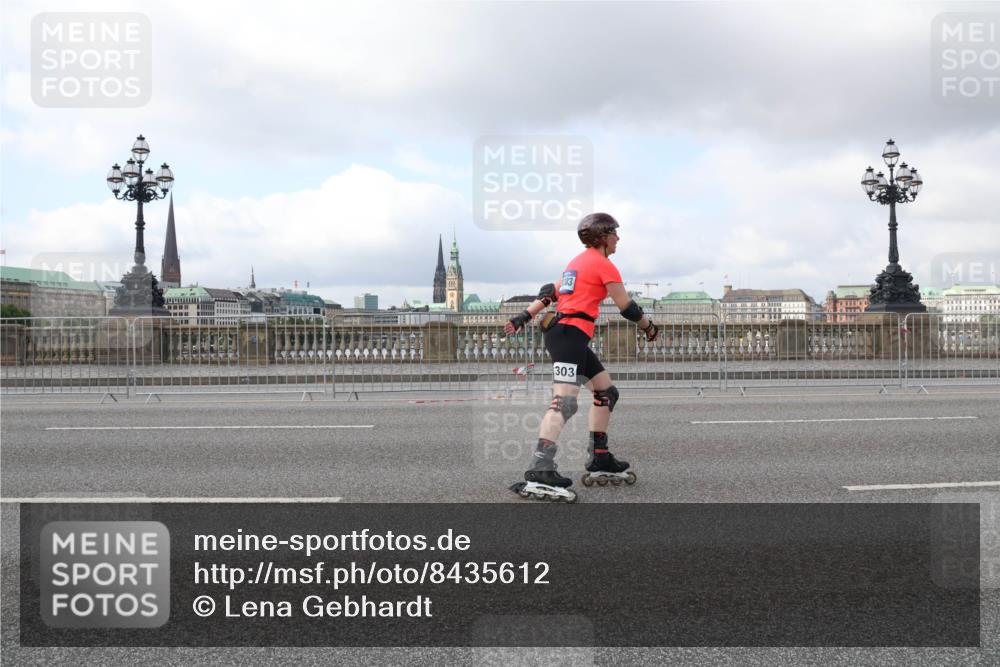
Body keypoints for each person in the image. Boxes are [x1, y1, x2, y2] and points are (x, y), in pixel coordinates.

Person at [505, 212, 659, 502]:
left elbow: (550, 292)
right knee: (564, 403)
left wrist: (524, 315)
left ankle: (599, 456)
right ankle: (540, 467)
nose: (618, 238)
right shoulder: (604, 265)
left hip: (568, 334)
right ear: (602, 236)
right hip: (569, 335)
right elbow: (626, 306)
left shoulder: (577, 261)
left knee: (606, 392)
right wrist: (649, 327)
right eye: (614, 232)